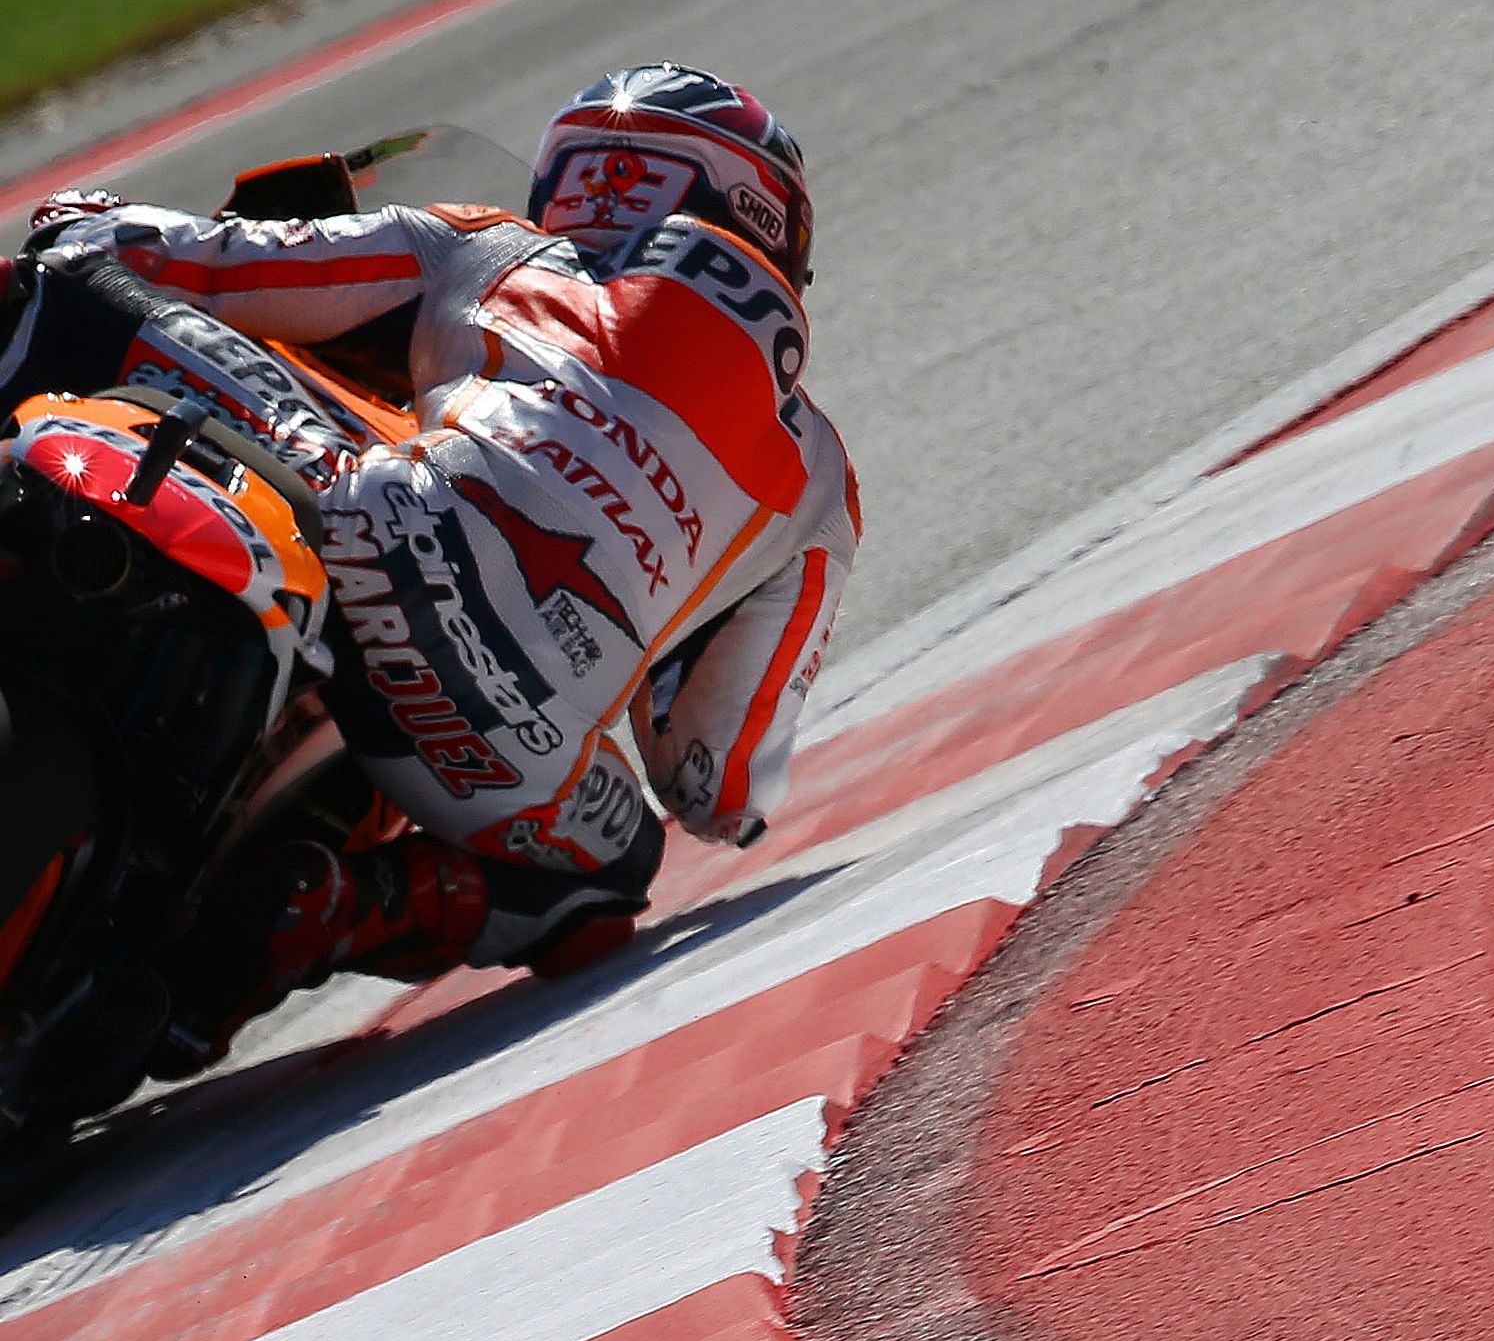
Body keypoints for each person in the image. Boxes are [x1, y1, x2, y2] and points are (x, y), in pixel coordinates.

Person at [0, 65, 856, 1063]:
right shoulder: (821, 480)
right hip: (495, 745)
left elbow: (204, 263)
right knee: (616, 860)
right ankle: (334, 907)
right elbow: (713, 787)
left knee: (57, 287)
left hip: (358, 517)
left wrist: (87, 219)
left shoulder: (483, 246)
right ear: (767, 218)